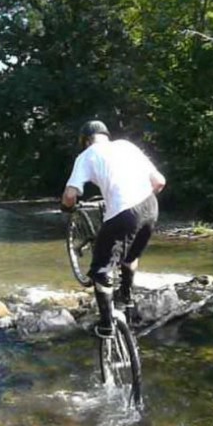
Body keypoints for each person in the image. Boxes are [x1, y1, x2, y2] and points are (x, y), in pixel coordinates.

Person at [61, 120, 166, 337]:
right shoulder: (127, 146)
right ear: (106, 135)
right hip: (150, 206)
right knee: (129, 256)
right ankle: (126, 299)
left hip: (124, 211)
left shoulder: (87, 155)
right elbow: (159, 182)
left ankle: (106, 326)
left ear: (86, 140)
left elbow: (71, 195)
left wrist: (66, 207)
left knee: (101, 270)